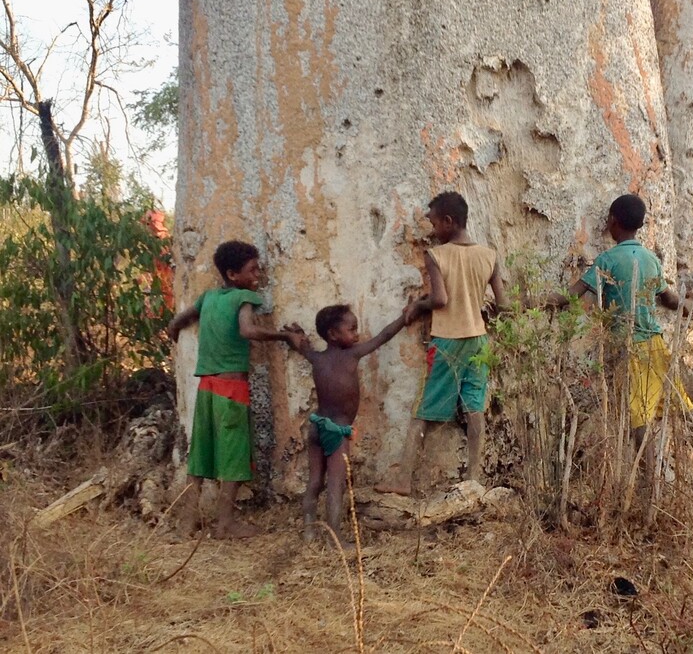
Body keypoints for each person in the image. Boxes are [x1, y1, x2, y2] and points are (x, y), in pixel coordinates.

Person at [549, 194, 693, 476]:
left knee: (638, 418)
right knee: (684, 406)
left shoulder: (607, 260)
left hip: (629, 346)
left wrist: (530, 303)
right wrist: (689, 304)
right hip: (656, 343)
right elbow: (668, 299)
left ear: (613, 222)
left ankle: (649, 484)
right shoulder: (650, 259)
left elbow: (569, 297)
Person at [377, 191, 507, 496]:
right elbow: (503, 305)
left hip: (447, 341)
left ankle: (403, 478)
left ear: (448, 222)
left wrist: (418, 306)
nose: (433, 230)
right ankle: (474, 479)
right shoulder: (489, 255)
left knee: (423, 408)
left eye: (434, 223)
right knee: (475, 408)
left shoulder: (437, 255)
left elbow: (440, 299)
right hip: (478, 341)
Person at [167, 240, 294, 539]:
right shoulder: (244, 297)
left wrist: (172, 330)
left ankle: (187, 522)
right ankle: (225, 524)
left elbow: (181, 319)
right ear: (233, 274)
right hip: (231, 388)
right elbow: (247, 330)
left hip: (206, 387)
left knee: (199, 454)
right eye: (253, 269)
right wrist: (283, 335)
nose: (258, 274)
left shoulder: (208, 297)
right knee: (234, 454)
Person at [284, 305, 406, 543]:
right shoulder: (352, 354)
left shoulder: (316, 358)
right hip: (337, 431)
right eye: (352, 329)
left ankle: (309, 531)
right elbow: (384, 335)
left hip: (316, 426)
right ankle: (335, 539)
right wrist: (405, 316)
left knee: (315, 482)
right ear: (333, 334)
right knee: (335, 485)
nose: (357, 334)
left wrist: (295, 337)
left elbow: (301, 346)